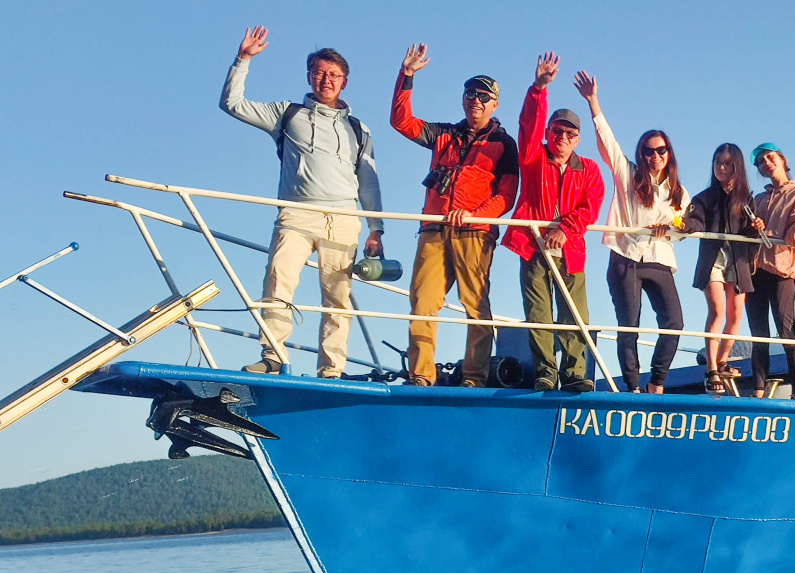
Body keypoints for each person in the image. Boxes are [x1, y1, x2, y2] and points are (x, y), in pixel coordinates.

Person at [219, 26, 384, 377]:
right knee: (278, 281)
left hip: (343, 217)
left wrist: (376, 229)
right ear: (310, 76)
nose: (327, 80)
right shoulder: (287, 113)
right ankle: (273, 357)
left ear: (345, 82)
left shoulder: (359, 129)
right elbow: (231, 104)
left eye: (334, 75)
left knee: (338, 296)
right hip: (296, 213)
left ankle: (332, 369)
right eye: (320, 73)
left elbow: (368, 180)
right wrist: (243, 59)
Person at [390, 44, 519, 386]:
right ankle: (421, 377)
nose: (474, 100)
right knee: (423, 303)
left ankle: (474, 377)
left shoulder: (505, 144)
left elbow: (507, 195)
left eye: (482, 96)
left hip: (475, 232)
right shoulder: (444, 134)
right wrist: (407, 76)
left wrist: (474, 214)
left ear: (494, 104)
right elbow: (401, 122)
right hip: (433, 229)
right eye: (469, 94)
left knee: (475, 305)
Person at [574, 71, 685, 393]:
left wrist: (671, 230)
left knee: (674, 322)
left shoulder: (679, 192)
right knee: (629, 326)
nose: (655, 156)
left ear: (669, 153)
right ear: (641, 154)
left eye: (661, 150)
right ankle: (633, 387)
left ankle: (658, 383)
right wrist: (593, 102)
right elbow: (609, 144)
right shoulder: (629, 177)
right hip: (625, 257)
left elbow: (684, 227)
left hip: (659, 259)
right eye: (649, 151)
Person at [502, 53, 605, 392]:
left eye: (569, 132)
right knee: (538, 313)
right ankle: (546, 371)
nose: (562, 136)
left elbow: (590, 207)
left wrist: (564, 229)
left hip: (571, 250)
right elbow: (527, 127)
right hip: (531, 247)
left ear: (578, 139)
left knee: (575, 315)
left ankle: (575, 373)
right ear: (549, 133)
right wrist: (539, 89)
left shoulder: (589, 169)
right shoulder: (533, 158)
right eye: (557, 130)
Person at [683, 143, 757, 394]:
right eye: (717, 163)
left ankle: (724, 360)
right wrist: (687, 225)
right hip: (713, 258)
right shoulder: (704, 198)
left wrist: (756, 227)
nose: (722, 168)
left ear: (737, 166)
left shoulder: (746, 199)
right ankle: (711, 368)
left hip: (737, 261)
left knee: (736, 314)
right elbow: (694, 219)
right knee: (717, 310)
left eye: (727, 163)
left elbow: (750, 230)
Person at [747, 144, 795, 399]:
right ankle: (758, 391)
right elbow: (748, 232)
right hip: (756, 269)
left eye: (769, 157)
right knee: (758, 334)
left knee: (786, 331)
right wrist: (755, 228)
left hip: (783, 270)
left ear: (782, 159)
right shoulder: (758, 199)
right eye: (760, 162)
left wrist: (776, 234)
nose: (766, 162)